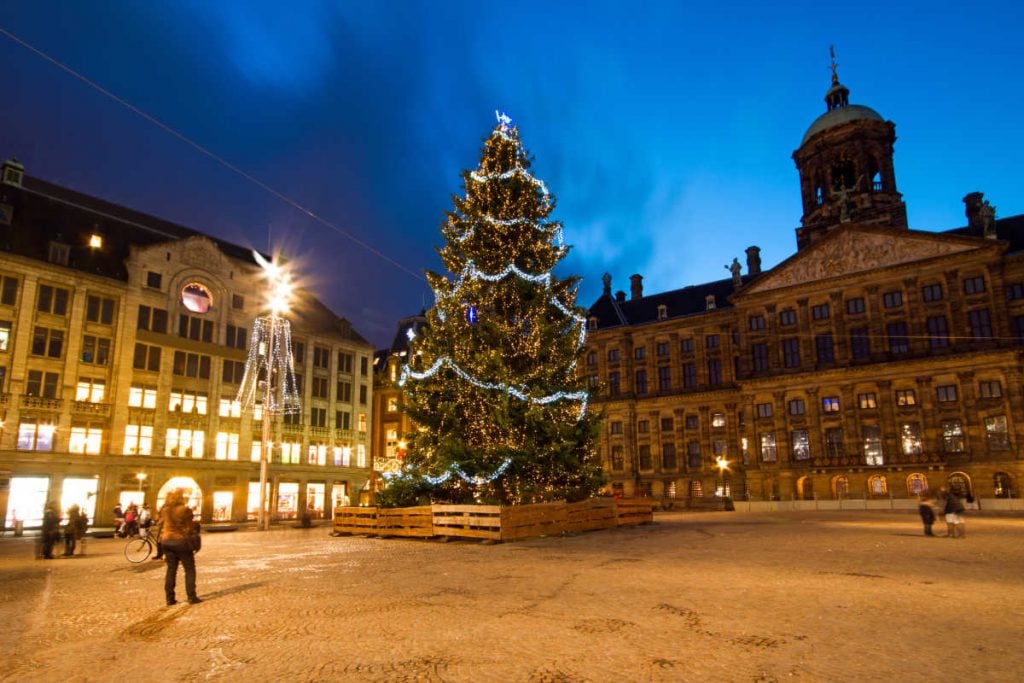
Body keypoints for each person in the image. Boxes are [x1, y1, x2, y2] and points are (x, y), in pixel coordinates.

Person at [158, 488, 201, 605]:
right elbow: (190, 526)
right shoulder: (185, 510)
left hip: (166, 541)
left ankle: (169, 598)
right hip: (181, 541)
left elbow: (160, 521)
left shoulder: (165, 510)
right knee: (189, 569)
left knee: (171, 570)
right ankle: (192, 597)